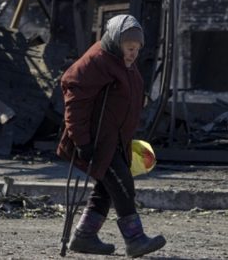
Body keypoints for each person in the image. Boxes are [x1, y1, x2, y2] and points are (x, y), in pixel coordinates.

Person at [56, 14, 166, 257]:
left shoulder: (122, 60)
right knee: (122, 185)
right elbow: (74, 97)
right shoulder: (98, 60)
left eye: (137, 49)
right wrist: (81, 141)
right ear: (116, 42)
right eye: (129, 48)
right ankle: (135, 239)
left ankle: (84, 237)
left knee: (107, 189)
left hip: (116, 139)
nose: (133, 54)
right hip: (96, 141)